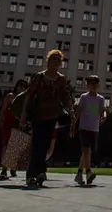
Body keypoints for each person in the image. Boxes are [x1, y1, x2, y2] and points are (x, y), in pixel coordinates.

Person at [20, 49, 74, 187]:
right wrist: (23, 116)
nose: (56, 61)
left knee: (45, 145)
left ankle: (39, 173)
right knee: (38, 144)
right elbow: (29, 96)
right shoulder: (39, 77)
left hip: (53, 116)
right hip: (38, 114)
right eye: (53, 59)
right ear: (48, 61)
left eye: (58, 60)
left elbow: (66, 97)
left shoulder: (61, 79)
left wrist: (71, 113)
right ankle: (33, 174)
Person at [71, 75, 106, 185]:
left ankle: (79, 173)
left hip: (94, 128)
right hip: (84, 127)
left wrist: (104, 116)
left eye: (95, 84)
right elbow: (78, 112)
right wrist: (73, 126)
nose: (94, 86)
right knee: (86, 150)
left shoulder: (100, 99)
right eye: (91, 84)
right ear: (88, 86)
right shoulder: (84, 97)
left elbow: (102, 111)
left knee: (87, 152)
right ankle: (89, 172)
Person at [0, 79, 28, 180]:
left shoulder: (25, 99)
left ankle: (10, 167)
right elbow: (3, 109)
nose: (21, 88)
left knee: (15, 147)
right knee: (7, 145)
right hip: (8, 124)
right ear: (16, 86)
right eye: (20, 85)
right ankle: (4, 169)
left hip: (17, 124)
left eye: (24, 86)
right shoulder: (10, 96)